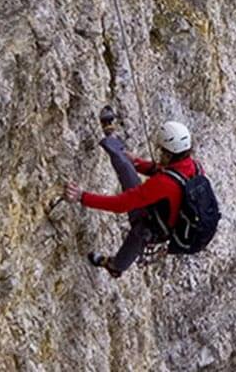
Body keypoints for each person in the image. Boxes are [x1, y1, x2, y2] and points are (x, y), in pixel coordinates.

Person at [63, 111, 201, 278]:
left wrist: (82, 197)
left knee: (140, 231)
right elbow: (165, 171)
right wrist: (136, 162)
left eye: (161, 151)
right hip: (170, 219)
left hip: (157, 226)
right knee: (128, 168)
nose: (159, 153)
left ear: (169, 154)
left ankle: (115, 266)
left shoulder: (164, 184)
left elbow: (121, 204)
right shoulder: (194, 166)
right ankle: (113, 142)